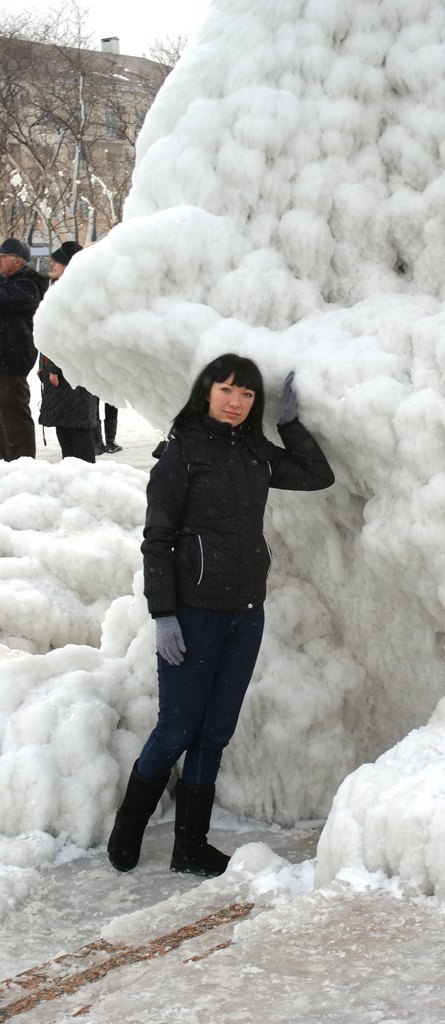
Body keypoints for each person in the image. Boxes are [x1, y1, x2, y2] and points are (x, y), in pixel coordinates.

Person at [107, 354, 335, 878]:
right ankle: (129, 825)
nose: (235, 402)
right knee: (176, 729)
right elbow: (156, 540)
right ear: (205, 391)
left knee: (215, 733)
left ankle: (190, 845)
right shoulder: (180, 455)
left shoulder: (255, 452)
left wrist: (290, 425)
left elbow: (316, 475)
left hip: (245, 613)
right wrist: (164, 615)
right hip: (192, 615)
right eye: (226, 390)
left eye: (247, 394)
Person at [37, 241, 98, 462]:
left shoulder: (78, 294)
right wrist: (42, 365)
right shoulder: (61, 289)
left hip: (70, 374)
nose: (53, 263)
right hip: (61, 374)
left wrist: (54, 367)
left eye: (58, 260)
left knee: (78, 433)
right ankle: (75, 476)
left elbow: (73, 336)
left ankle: (84, 480)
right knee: (67, 430)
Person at [0, 237, 48, 460]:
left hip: (12, 361)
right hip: (5, 360)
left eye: (2, 257)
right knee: (4, 417)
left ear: (18, 260)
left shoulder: (28, 285)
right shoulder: (9, 283)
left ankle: (23, 464)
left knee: (15, 416)